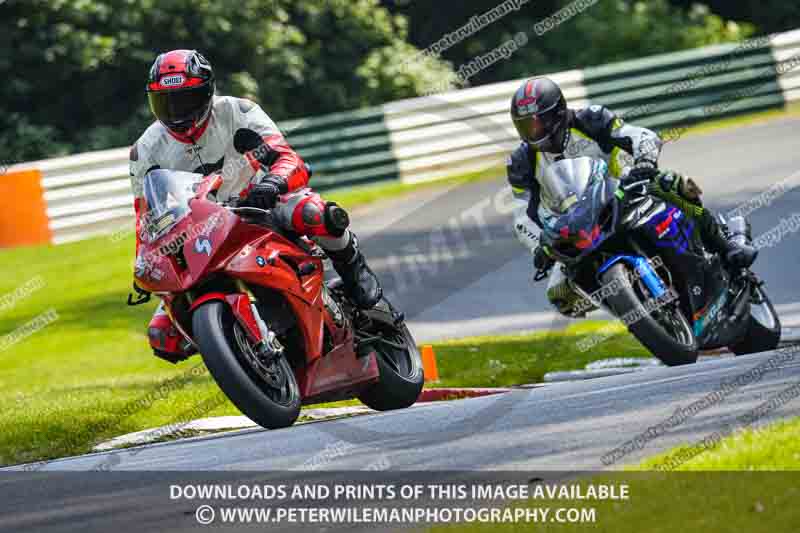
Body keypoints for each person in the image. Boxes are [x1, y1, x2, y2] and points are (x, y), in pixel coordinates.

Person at [129, 49, 382, 360]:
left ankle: (355, 272)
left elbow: (289, 159)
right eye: (165, 102)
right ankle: (236, 349)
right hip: (201, 231)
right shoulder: (145, 149)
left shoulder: (238, 111)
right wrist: (145, 261)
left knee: (319, 214)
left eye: (186, 99)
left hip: (259, 204)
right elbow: (145, 216)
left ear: (207, 91)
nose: (176, 112)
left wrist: (272, 183)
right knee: (162, 337)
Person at [506, 76, 757, 316]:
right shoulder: (521, 162)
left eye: (538, 122)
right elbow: (522, 216)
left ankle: (726, 245)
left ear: (558, 113)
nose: (533, 131)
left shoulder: (590, 119)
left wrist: (644, 162)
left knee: (675, 185)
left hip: (624, 190)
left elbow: (641, 135)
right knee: (559, 293)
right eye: (526, 125)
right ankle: (635, 313)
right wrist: (539, 244)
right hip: (575, 224)